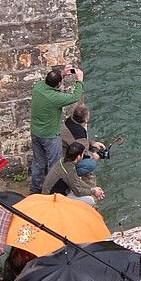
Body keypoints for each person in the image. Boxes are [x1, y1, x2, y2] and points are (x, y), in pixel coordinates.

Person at [29, 66, 84, 194]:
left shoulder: (38, 87)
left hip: (36, 132)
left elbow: (51, 82)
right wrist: (79, 80)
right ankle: (52, 191)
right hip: (50, 135)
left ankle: (36, 188)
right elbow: (75, 97)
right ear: (58, 84)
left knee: (38, 162)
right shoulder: (54, 98)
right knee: (55, 165)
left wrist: (62, 74)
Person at [61, 105, 107, 171]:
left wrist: (93, 143)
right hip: (63, 159)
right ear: (86, 120)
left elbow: (73, 138)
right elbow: (83, 153)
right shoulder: (80, 135)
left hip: (59, 149)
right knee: (91, 163)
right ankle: (71, 172)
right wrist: (95, 156)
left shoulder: (69, 121)